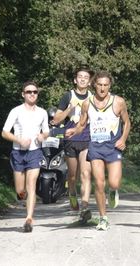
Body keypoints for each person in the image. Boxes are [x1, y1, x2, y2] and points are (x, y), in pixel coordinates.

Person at [65, 71, 131, 231]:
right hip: (95, 147)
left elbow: (127, 122)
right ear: (94, 85)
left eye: (106, 85)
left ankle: (114, 191)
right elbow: (82, 124)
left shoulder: (118, 102)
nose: (102, 88)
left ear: (110, 86)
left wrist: (123, 139)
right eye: (100, 85)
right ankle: (103, 218)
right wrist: (74, 130)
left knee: (114, 183)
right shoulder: (87, 104)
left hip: (113, 147)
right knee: (99, 184)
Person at [2, 81, 49, 232]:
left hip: (35, 152)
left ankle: (29, 218)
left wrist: (43, 136)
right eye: (29, 92)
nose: (32, 94)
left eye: (35, 92)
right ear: (23, 94)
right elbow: (4, 132)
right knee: (21, 190)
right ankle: (20, 195)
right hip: (18, 152)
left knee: (32, 185)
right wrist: (19, 140)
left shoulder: (42, 112)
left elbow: (46, 131)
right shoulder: (16, 111)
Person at [52, 66, 94, 223]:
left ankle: (84, 206)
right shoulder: (67, 96)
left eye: (86, 77)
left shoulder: (93, 97)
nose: (83, 79)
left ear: (89, 82)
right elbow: (56, 120)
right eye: (80, 76)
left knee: (85, 174)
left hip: (87, 138)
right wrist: (70, 108)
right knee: (72, 175)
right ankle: (71, 192)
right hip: (70, 139)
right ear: (75, 80)